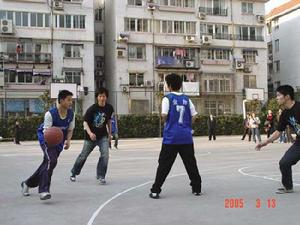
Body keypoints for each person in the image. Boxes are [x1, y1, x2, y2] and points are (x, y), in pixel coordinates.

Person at [149, 73, 202, 199]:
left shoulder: (167, 98)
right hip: (186, 137)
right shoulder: (186, 99)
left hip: (171, 138)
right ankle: (197, 188)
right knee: (190, 164)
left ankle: (156, 190)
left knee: (164, 164)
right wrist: (187, 124)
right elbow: (195, 115)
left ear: (169, 85)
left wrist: (167, 122)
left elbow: (164, 115)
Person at [21, 90, 75, 200]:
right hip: (46, 139)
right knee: (51, 161)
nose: (71, 102)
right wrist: (51, 147)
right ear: (61, 100)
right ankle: (44, 190)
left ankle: (27, 183)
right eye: (69, 100)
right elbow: (47, 134)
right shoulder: (50, 114)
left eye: (71, 100)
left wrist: (68, 141)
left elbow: (70, 130)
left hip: (59, 141)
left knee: (48, 163)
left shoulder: (71, 114)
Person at [256, 85, 300, 194]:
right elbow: (278, 132)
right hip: (299, 143)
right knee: (284, 162)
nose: (277, 98)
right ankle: (288, 187)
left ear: (287, 97)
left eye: (279, 95)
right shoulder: (284, 114)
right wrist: (265, 142)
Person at [70, 87, 114, 184]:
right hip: (90, 137)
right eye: (100, 96)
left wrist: (110, 134)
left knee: (105, 155)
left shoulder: (109, 108)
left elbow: (109, 122)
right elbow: (85, 123)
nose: (102, 98)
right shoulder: (92, 109)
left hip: (102, 136)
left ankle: (101, 176)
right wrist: (90, 133)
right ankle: (74, 172)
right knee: (83, 156)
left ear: (106, 97)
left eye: (104, 96)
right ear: (97, 97)